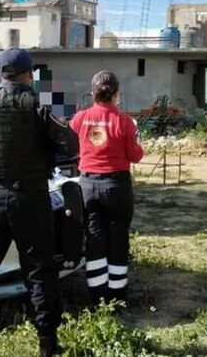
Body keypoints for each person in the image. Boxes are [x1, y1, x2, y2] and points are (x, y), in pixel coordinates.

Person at [0, 48, 79, 357]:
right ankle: (47, 345)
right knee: (39, 272)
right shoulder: (40, 106)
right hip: (31, 200)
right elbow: (71, 146)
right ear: (29, 75)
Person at [69, 71, 144, 307]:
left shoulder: (79, 119)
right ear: (117, 95)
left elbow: (69, 147)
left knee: (94, 239)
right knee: (118, 238)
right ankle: (117, 296)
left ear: (93, 94)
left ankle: (97, 296)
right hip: (117, 186)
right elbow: (136, 155)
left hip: (89, 185)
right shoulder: (124, 121)